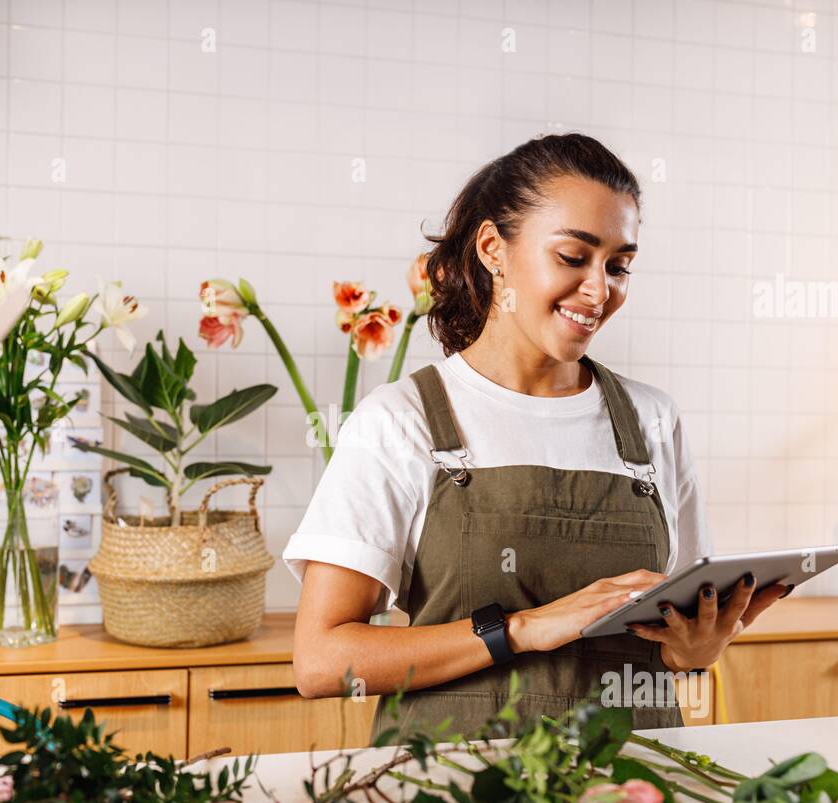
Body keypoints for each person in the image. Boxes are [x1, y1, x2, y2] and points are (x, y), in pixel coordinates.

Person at [285, 133, 790, 741]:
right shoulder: (401, 420)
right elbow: (320, 662)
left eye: (619, 265)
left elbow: (674, 641)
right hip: (456, 795)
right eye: (574, 258)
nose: (600, 290)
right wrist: (520, 628)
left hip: (632, 787)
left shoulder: (653, 420)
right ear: (495, 249)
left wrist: (696, 650)